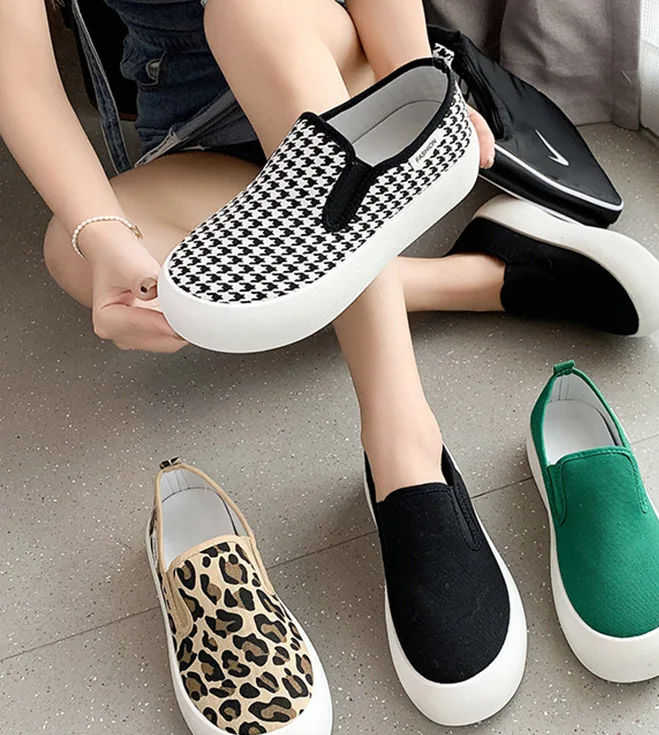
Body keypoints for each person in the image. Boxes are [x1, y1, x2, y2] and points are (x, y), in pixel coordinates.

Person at [0, 0, 513, 501]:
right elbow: (21, 75)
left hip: (330, 83)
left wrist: (419, 85)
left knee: (249, 13)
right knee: (77, 251)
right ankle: (475, 281)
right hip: (195, 125)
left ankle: (404, 447)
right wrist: (105, 238)